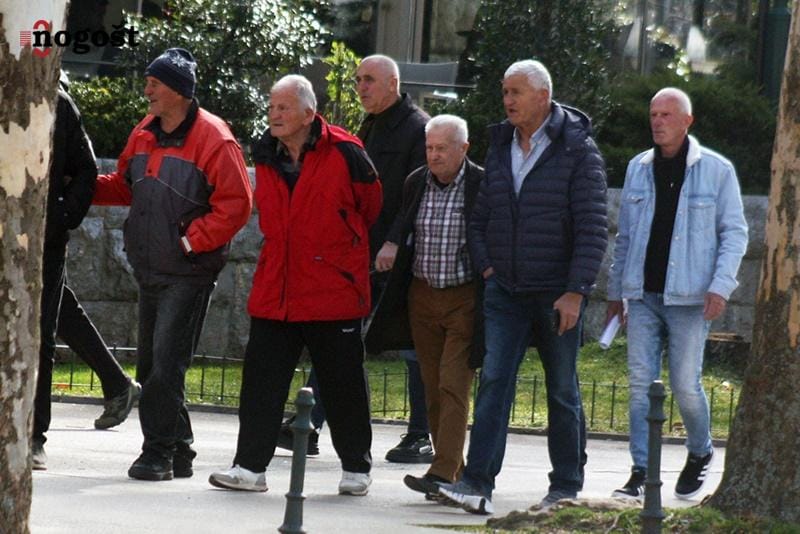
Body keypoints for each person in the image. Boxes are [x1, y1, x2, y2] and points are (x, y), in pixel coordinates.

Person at [437, 59, 608, 514]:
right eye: (505, 91)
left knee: (562, 389)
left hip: (557, 292)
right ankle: (476, 483)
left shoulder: (578, 149)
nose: (507, 100)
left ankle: (565, 486)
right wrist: (488, 268)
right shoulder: (500, 145)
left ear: (543, 97)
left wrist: (576, 291)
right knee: (494, 381)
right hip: (505, 290)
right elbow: (480, 218)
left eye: (516, 92)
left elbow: (593, 227)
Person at [208, 74, 381, 495]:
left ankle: (356, 468)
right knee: (261, 383)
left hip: (332, 289)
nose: (274, 114)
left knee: (343, 385)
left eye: (283, 107)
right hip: (278, 289)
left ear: (308, 113)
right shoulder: (265, 154)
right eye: (271, 107)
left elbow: (370, 206)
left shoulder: (346, 151)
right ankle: (250, 468)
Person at [93, 48, 253, 481]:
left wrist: (190, 242)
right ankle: (178, 449)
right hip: (150, 268)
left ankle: (157, 454)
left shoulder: (214, 137)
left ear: (179, 91)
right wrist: (80, 185)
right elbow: (125, 186)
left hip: (188, 272)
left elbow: (237, 204)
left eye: (155, 83)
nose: (146, 90)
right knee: (153, 367)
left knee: (165, 367)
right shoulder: (144, 131)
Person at [278, 54, 434, 464]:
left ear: (393, 84)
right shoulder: (370, 125)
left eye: (369, 80)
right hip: (361, 252)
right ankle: (308, 424)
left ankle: (421, 435)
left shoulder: (418, 128)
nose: (361, 87)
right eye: (358, 79)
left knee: (413, 346)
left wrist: (394, 242)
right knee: (339, 337)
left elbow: (417, 192)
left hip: (400, 257)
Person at [607, 87, 747, 501]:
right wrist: (616, 293)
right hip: (643, 295)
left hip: (690, 297)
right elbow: (625, 237)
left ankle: (700, 451)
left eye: (666, 115)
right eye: (653, 114)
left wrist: (721, 286)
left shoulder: (717, 170)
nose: (657, 121)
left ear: (687, 121)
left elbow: (735, 233)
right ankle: (640, 471)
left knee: (685, 384)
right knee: (640, 384)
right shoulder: (638, 168)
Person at [365, 114, 485, 499]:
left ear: (463, 149)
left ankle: (442, 471)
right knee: (432, 387)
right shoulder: (416, 181)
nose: (434, 155)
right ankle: (452, 470)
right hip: (422, 296)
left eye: (442, 149)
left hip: (464, 298)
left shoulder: (481, 185)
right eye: (430, 148)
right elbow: (406, 229)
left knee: (453, 384)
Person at [32, 71, 141, 470]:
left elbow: (86, 169)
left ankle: (32, 436)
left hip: (42, 237)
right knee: (56, 310)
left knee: (40, 329)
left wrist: (61, 217)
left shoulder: (56, 103)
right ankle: (116, 383)